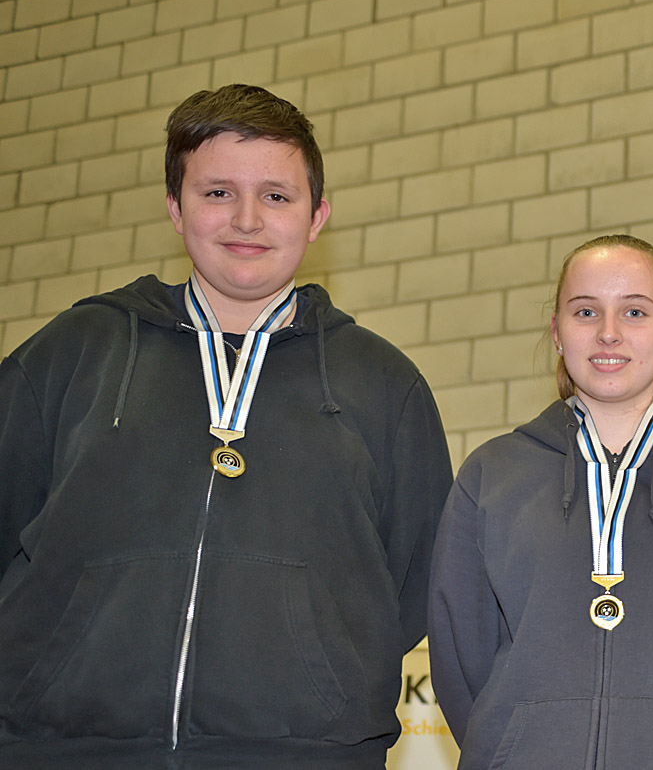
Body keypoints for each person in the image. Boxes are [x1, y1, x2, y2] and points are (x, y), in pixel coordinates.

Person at [0, 84, 452, 768]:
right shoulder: (76, 352)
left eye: (276, 196)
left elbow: (414, 584)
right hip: (63, 749)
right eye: (217, 192)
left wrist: (314, 678)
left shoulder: (385, 385)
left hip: (302, 756)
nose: (247, 219)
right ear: (175, 207)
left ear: (317, 216)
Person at [427, 234, 653, 769]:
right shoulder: (492, 477)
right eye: (585, 311)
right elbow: (461, 661)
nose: (608, 332)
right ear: (557, 333)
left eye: (635, 311)